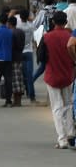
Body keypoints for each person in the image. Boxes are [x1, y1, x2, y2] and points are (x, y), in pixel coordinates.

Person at [39, 11, 75, 149]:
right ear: (65, 22)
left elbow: (41, 58)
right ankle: (71, 132)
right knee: (68, 104)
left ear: (53, 22)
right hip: (67, 75)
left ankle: (62, 139)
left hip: (52, 75)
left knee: (57, 108)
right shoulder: (70, 36)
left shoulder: (47, 37)